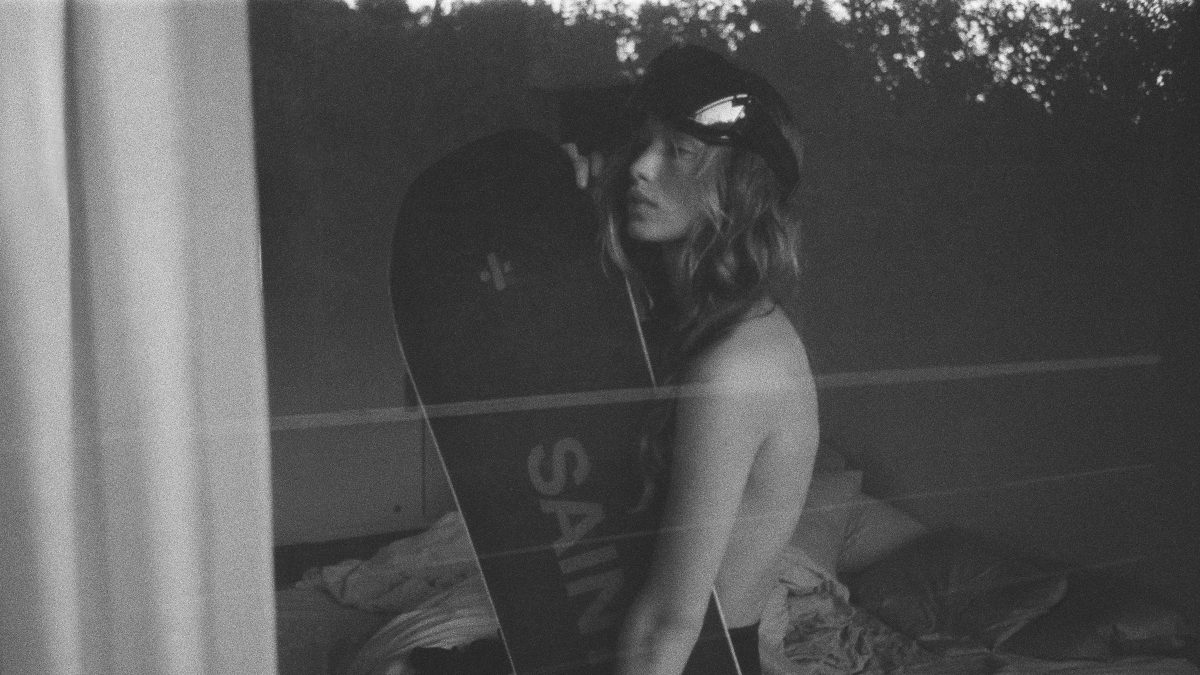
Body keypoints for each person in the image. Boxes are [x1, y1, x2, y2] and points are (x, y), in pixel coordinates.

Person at [566, 45, 820, 675]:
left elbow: (666, 623)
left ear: (736, 187)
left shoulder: (737, 363)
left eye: (678, 152)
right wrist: (563, 211)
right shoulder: (690, 325)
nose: (640, 168)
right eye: (643, 145)